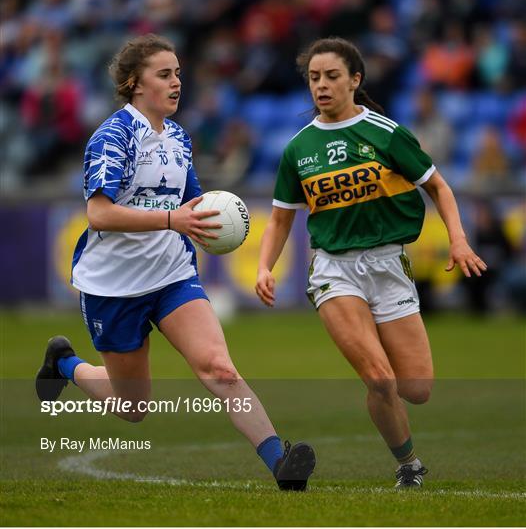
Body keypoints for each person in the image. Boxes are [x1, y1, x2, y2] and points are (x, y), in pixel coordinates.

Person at [35, 33, 315, 491]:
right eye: (164, 74)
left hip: (172, 275)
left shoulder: (179, 137)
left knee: (219, 368)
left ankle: (280, 463)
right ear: (134, 83)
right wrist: (172, 218)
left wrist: (216, 222)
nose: (176, 82)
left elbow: (193, 202)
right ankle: (64, 363)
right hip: (113, 286)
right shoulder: (113, 136)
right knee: (133, 407)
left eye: (178, 73)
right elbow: (98, 213)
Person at [255, 37, 487, 488]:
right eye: (313, 78)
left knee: (416, 389)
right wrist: (266, 266)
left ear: (355, 80)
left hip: (388, 265)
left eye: (331, 76)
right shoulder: (298, 150)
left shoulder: (386, 133)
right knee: (380, 379)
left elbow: (439, 187)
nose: (320, 85)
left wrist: (458, 240)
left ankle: (398, 429)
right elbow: (281, 220)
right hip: (333, 270)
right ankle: (409, 467)